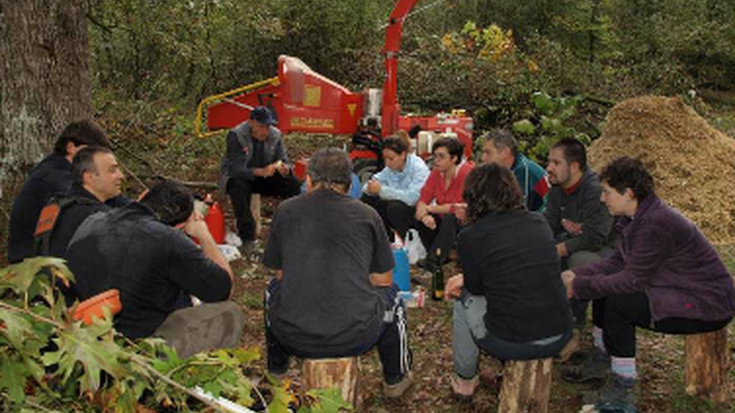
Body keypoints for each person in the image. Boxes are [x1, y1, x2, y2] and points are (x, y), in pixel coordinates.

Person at [560, 157, 735, 409]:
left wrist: (578, 287)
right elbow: (616, 264)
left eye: (607, 193)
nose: (602, 199)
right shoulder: (635, 218)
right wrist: (580, 276)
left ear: (628, 193)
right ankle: (602, 356)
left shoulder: (655, 223)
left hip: (706, 302)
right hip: (679, 290)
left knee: (619, 301)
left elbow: (632, 280)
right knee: (603, 285)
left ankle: (623, 387)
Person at [262, 148, 413, 398]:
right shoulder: (368, 215)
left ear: (309, 179)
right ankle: (395, 379)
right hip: (355, 335)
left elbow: (281, 275)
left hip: (294, 336)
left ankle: (276, 371)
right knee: (394, 297)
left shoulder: (286, 210)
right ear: (348, 183)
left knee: (271, 291)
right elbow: (383, 280)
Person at [66, 180, 243, 359]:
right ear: (181, 226)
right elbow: (224, 290)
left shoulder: (93, 220)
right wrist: (204, 235)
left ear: (144, 197)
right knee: (230, 313)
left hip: (80, 338)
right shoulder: (168, 238)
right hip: (135, 351)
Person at [445, 163, 573, 398]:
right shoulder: (539, 222)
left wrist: (466, 279)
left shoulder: (471, 236)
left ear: (473, 198)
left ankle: (465, 380)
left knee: (461, 298)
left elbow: (476, 288)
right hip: (560, 332)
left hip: (511, 340)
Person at [8, 120, 112, 263]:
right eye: (91, 152)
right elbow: (86, 202)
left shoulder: (66, 173)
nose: (95, 159)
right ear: (70, 147)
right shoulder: (53, 177)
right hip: (32, 270)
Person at [543, 138, 614, 332]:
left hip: (607, 250)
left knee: (581, 261)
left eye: (556, 163)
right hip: (573, 242)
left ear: (574, 166)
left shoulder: (595, 190)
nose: (549, 168)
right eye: (549, 162)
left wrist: (556, 250)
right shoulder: (558, 188)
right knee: (539, 254)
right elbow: (549, 223)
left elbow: (594, 238)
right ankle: (547, 319)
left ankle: (574, 325)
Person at [219, 106, 301, 255]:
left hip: (265, 177)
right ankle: (248, 237)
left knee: (293, 184)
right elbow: (234, 169)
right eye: (261, 126)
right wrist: (260, 171)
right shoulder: (236, 135)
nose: (265, 131)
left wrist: (285, 169)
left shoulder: (275, 135)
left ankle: (295, 229)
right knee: (237, 186)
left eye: (268, 126)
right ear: (251, 122)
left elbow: (284, 160)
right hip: (243, 177)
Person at [415, 137, 474, 266]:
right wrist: (424, 215)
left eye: (441, 156)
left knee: (450, 219)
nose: (436, 160)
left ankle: (433, 262)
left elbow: (458, 208)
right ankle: (438, 254)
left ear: (454, 159)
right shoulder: (436, 172)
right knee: (419, 217)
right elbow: (423, 198)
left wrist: (429, 209)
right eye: (435, 156)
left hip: (467, 222)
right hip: (444, 219)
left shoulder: (467, 173)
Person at [361, 134, 430, 240]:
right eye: (385, 159)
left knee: (395, 207)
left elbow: (412, 198)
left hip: (420, 211)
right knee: (368, 199)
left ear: (403, 155)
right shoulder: (390, 168)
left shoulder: (418, 168)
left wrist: (381, 190)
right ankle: (382, 240)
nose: (387, 163)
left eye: (391, 159)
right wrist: (371, 187)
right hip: (397, 208)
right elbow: (370, 184)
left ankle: (409, 242)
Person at [480, 129, 549, 211]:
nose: (483, 158)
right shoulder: (503, 171)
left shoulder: (523, 172)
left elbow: (520, 211)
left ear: (505, 152)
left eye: (488, 153)